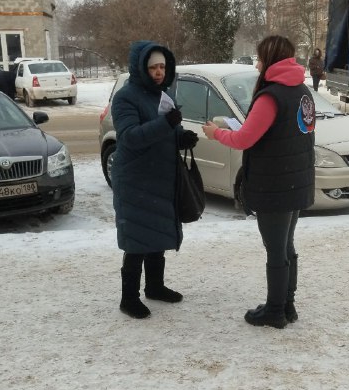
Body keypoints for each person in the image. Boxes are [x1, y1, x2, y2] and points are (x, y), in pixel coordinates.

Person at [201, 35, 315, 329]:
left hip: (274, 184)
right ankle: (287, 305)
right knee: (286, 246)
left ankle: (275, 311)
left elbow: (244, 139)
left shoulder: (270, 97)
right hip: (295, 178)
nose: (257, 64)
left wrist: (216, 133)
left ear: (270, 60)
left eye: (261, 58)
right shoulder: (302, 91)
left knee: (276, 250)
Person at [111, 40, 199, 319]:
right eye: (153, 68)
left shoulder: (162, 95)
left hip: (160, 176)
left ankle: (155, 286)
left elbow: (165, 131)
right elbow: (130, 137)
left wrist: (181, 137)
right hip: (135, 179)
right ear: (141, 69)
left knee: (157, 233)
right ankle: (129, 298)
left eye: (162, 67)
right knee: (137, 240)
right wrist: (167, 124)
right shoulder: (125, 98)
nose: (159, 72)